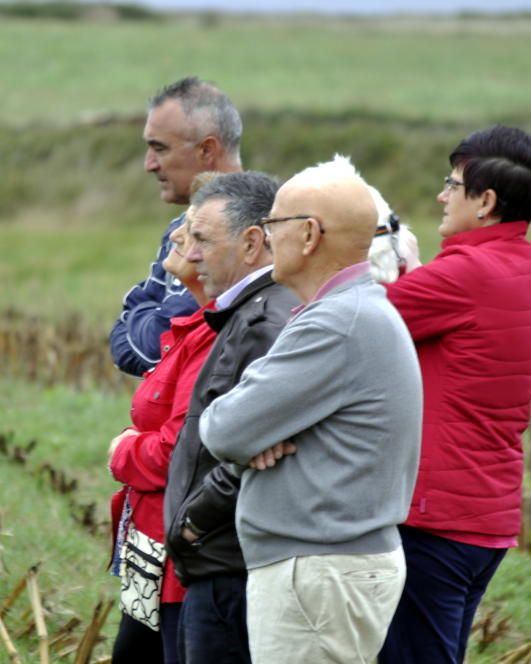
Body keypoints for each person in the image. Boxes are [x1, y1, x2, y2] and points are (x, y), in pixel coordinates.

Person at [199, 155, 423, 664]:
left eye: (272, 223)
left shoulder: (335, 325)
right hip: (324, 569)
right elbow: (244, 426)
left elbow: (224, 428)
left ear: (308, 234)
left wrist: (250, 434)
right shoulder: (350, 312)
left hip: (319, 574)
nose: (265, 236)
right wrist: (256, 431)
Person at [378, 125, 531, 664]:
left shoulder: (466, 273)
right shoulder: (516, 262)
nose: (441, 196)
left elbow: (352, 320)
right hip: (481, 519)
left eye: (451, 184)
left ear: (486, 202)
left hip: (436, 519)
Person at [163, 171, 298, 664]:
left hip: (228, 565)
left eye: (202, 238)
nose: (189, 252)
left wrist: (192, 523)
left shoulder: (265, 322)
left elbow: (253, 450)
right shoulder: (246, 311)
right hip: (219, 561)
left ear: (252, 243)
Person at [107, 175, 221, 664]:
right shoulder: (191, 322)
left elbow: (177, 452)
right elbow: (128, 333)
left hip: (180, 540)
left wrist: (123, 450)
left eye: (195, 233)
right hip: (152, 538)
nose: (175, 238)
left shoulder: (212, 334)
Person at [110, 76, 244, 376]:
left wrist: (141, 319)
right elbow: (125, 340)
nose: (149, 164)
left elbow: (153, 350)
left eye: (160, 149)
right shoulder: (179, 227)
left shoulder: (240, 235)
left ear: (207, 151)